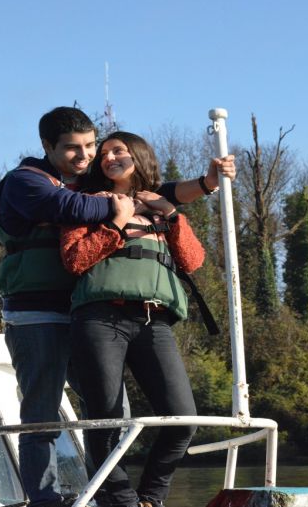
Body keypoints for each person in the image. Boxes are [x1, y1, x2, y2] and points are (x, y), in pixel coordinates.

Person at [0, 107, 231, 507]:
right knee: (43, 416)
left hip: (85, 311)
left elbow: (160, 192)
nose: (85, 156)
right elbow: (73, 209)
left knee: (112, 413)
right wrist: (122, 208)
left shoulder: (89, 182)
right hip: (38, 314)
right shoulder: (26, 181)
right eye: (72, 148)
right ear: (47, 146)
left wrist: (205, 184)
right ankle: (45, 500)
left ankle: (115, 500)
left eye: (90, 146)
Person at [61, 131, 203, 507]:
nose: (108, 158)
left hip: (153, 322)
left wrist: (170, 213)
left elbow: (192, 260)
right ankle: (121, 502)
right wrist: (118, 222)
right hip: (100, 319)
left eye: (117, 151)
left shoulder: (161, 207)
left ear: (138, 155)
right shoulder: (87, 204)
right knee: (106, 418)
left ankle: (151, 498)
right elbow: (75, 259)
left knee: (183, 419)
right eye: (103, 153)